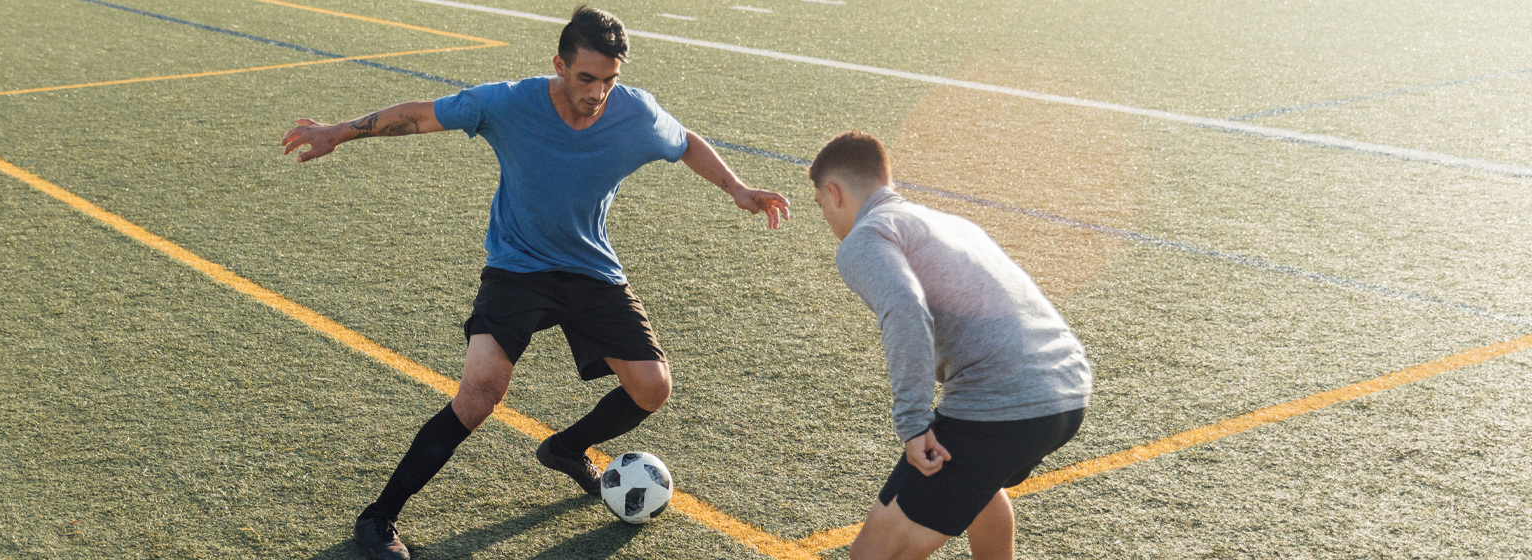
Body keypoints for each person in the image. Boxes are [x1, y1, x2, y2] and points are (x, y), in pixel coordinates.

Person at [281, 6, 789, 560]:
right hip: (517, 267)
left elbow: (684, 140)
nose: (598, 93)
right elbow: (420, 117)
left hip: (590, 268)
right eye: (586, 78)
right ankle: (378, 519)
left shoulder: (635, 114)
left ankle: (567, 449)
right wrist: (339, 132)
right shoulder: (509, 103)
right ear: (560, 65)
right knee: (479, 394)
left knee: (652, 387)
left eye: (609, 80)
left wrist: (736, 188)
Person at [806, 131, 1092, 560]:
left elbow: (904, 308)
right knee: (978, 489)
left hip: (1005, 402)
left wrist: (914, 423)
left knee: (872, 555)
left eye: (820, 205)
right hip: (1068, 390)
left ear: (835, 192)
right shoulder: (948, 221)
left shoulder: (864, 236)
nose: (826, 216)